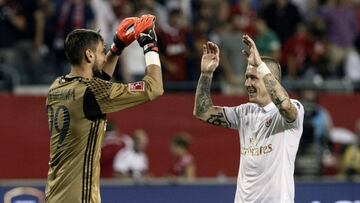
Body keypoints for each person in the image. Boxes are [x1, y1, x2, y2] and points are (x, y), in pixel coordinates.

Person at [45, 14, 163, 203]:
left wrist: (117, 48)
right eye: (101, 52)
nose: (103, 56)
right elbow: (154, 88)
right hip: (80, 197)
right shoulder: (90, 91)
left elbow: (98, 82)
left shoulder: (56, 87)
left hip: (55, 193)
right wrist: (150, 44)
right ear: (89, 55)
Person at [193, 36, 304, 202]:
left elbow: (285, 107)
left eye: (254, 78)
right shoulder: (245, 112)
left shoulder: (292, 110)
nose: (247, 83)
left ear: (271, 79)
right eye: (247, 77)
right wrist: (206, 74)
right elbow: (202, 112)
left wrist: (260, 65)